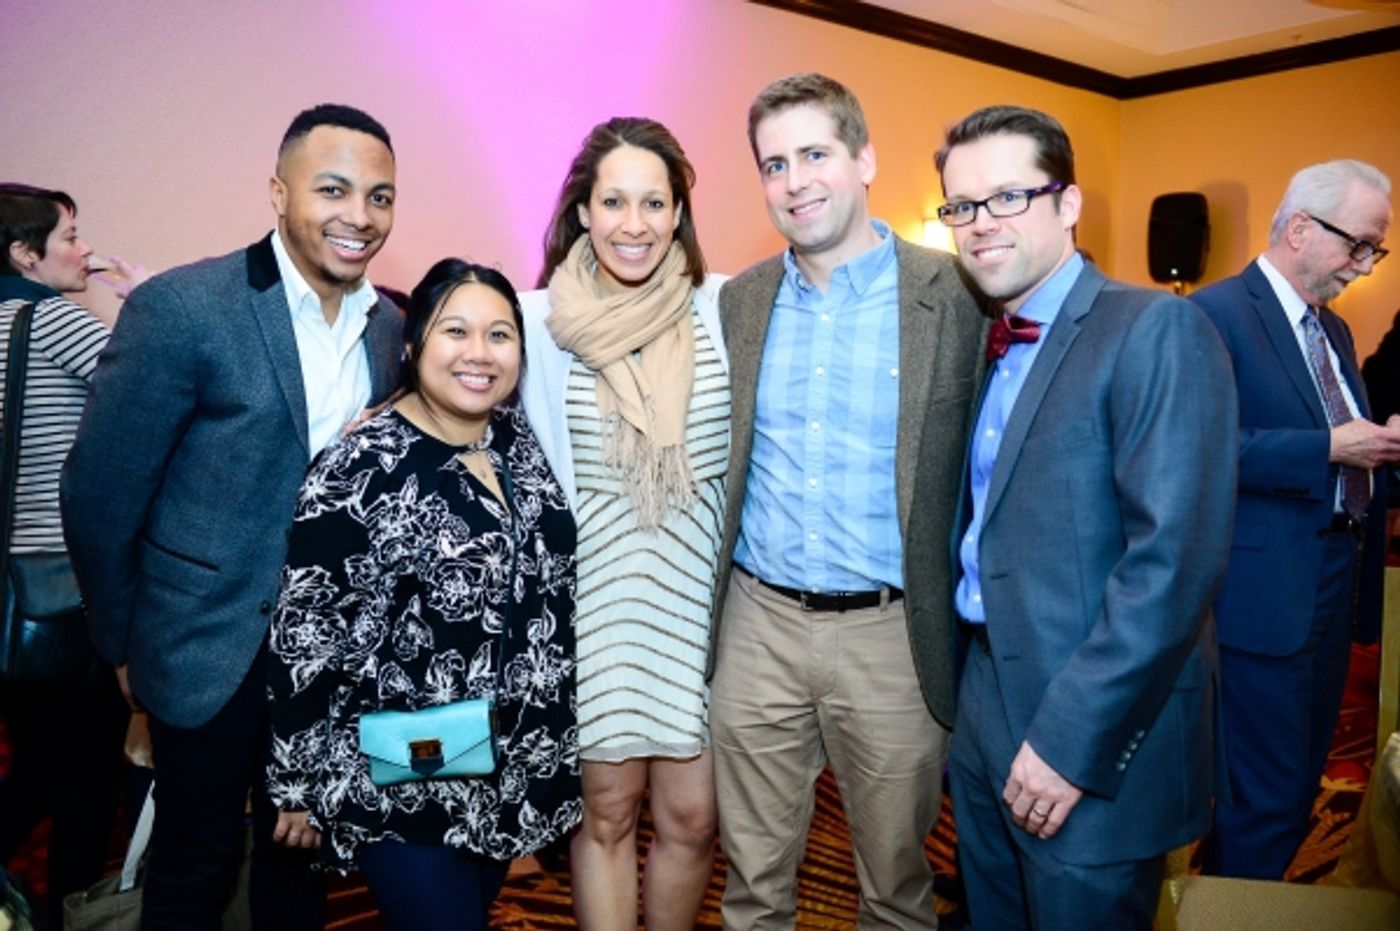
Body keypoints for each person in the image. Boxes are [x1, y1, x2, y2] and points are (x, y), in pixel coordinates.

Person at [59, 103, 404, 930]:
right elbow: (99, 493)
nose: (359, 216)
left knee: (303, 864)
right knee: (194, 862)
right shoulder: (186, 307)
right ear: (278, 193)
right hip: (207, 642)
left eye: (381, 196)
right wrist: (122, 643)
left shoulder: (391, 327)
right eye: (333, 189)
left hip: (329, 661)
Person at [937, 105, 1238, 930]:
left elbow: (1172, 566)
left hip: (1094, 718)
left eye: (1007, 197)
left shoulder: (1155, 329)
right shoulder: (986, 337)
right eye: (961, 206)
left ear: (1068, 204)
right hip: (987, 695)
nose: (980, 225)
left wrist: (1071, 742)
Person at [708, 73, 986, 930]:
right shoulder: (740, 300)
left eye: (815, 154)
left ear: (865, 158)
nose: (795, 181)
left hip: (894, 635)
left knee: (897, 889)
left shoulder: (958, 297)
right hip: (758, 627)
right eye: (774, 163)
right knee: (753, 885)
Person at [266, 260, 581, 929]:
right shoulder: (360, 464)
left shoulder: (516, 441)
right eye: (455, 330)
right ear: (411, 344)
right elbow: (306, 627)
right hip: (404, 768)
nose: (479, 353)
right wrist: (294, 784)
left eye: (500, 334)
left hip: (507, 767)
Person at [519, 116, 728, 931]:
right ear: (582, 211)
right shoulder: (540, 322)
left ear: (679, 212)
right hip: (596, 611)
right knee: (604, 818)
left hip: (700, 611)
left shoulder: (721, 307)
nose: (633, 224)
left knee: (692, 820)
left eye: (653, 202)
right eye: (614, 201)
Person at [1191, 160, 1396, 879]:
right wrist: (1329, 447)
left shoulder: (1334, 331)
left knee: (1297, 782)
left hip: (1332, 582)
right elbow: (1192, 449)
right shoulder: (1212, 314)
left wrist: (1378, 449)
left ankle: (1220, 905)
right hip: (1259, 595)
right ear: (1301, 228)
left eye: (1377, 250)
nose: (1365, 266)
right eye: (1360, 245)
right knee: (1265, 796)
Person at [0, 183, 145, 930]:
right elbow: (149, 388)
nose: (84, 250)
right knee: (86, 777)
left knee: (34, 765)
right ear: (25, 254)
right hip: (61, 589)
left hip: (7, 601)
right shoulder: (49, 317)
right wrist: (145, 299)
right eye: (71, 237)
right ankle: (69, 918)